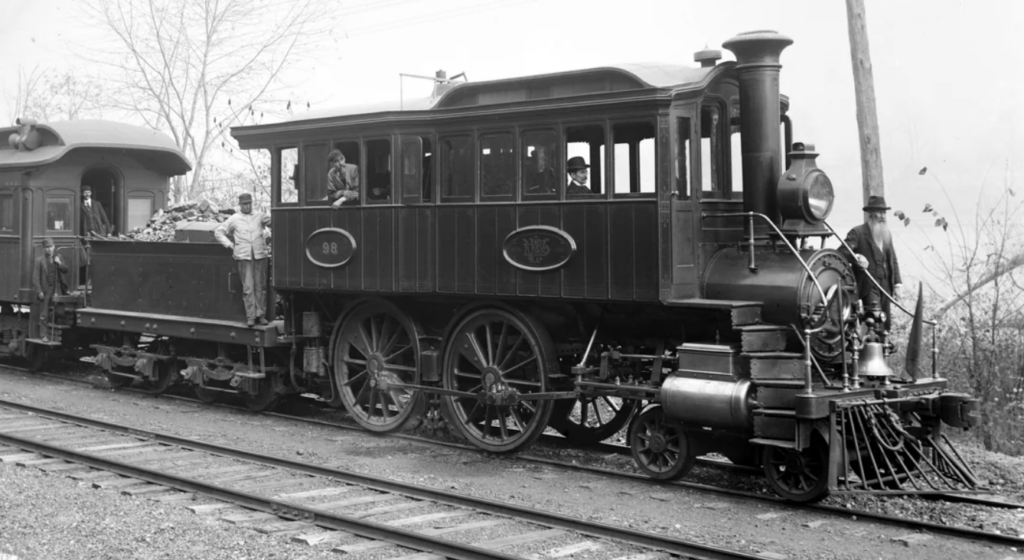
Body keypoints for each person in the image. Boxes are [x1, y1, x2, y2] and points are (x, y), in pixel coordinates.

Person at [841, 195, 903, 331]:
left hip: (886, 284)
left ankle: (884, 349)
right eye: (879, 212)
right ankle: (872, 349)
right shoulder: (857, 232)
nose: (883, 216)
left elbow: (893, 260)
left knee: (885, 321)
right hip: (869, 284)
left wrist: (897, 284)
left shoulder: (887, 234)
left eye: (884, 213)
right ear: (870, 213)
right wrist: (857, 256)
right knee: (874, 318)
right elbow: (842, 252)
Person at [215, 193, 272, 327]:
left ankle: (261, 315)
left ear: (252, 203)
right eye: (244, 204)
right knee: (248, 287)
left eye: (249, 203)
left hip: (259, 254)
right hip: (243, 255)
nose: (247, 206)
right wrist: (230, 245)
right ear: (240, 205)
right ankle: (251, 316)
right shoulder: (234, 219)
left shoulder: (260, 216)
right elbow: (218, 232)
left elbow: (275, 222)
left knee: (261, 286)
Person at [33, 238, 68, 342]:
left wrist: (59, 263)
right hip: (46, 288)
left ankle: (55, 331)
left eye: (51, 247)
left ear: (54, 247)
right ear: (43, 249)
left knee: (61, 310)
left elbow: (66, 269)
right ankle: (43, 335)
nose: (49, 249)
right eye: (47, 248)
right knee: (44, 313)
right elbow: (36, 278)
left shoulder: (59, 257)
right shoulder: (39, 261)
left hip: (57, 287)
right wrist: (39, 291)